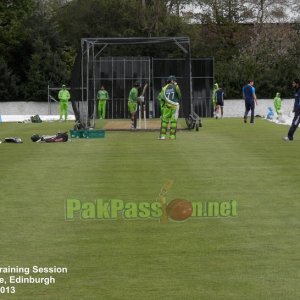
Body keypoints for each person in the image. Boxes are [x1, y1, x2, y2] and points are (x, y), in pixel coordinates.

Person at [159, 75, 182, 140]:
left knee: (164, 122)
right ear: (172, 81)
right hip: (175, 107)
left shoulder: (164, 88)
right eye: (174, 80)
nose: (175, 81)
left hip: (167, 107)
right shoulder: (176, 87)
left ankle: (163, 136)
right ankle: (172, 137)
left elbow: (160, 97)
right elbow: (180, 96)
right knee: (173, 122)